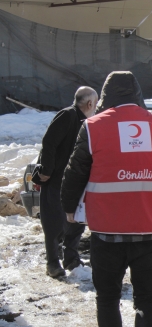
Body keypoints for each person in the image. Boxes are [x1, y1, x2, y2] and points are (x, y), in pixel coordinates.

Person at [61, 71, 152, 327]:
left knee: (108, 297)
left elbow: (75, 171)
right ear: (138, 94)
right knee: (148, 297)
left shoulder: (93, 127)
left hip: (106, 230)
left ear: (105, 96)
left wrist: (69, 208)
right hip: (150, 227)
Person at [38, 86, 98, 278]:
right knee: (55, 223)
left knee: (76, 222)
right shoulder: (67, 116)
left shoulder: (88, 122)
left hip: (77, 181)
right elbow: (49, 143)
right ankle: (53, 263)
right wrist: (45, 171)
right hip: (57, 180)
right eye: (95, 104)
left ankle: (71, 258)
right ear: (90, 103)